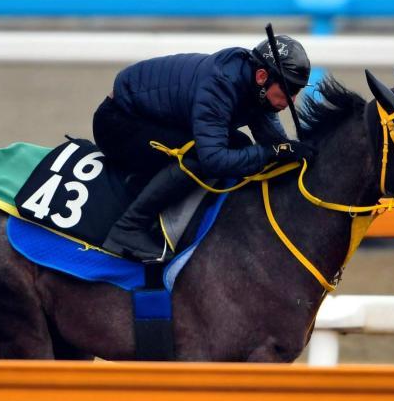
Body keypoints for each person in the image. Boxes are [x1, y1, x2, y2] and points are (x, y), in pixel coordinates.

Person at [93, 35, 312, 262]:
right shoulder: (221, 82)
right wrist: (272, 152)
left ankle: (150, 186)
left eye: (297, 90)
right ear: (262, 76)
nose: (292, 101)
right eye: (288, 90)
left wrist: (299, 152)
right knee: (200, 156)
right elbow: (214, 159)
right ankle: (128, 229)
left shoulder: (256, 85)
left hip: (153, 118)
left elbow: (275, 143)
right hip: (118, 123)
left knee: (241, 146)